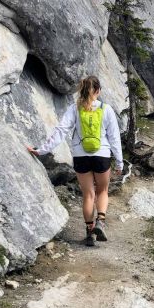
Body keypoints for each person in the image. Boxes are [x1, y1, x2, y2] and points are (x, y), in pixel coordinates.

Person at [27, 75, 123, 246]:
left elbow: (61, 131)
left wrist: (41, 150)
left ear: (82, 90)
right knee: (102, 190)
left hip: (81, 155)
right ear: (98, 91)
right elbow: (114, 138)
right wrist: (120, 162)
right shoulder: (106, 109)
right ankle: (100, 221)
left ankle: (89, 233)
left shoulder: (74, 108)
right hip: (101, 155)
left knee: (88, 194)